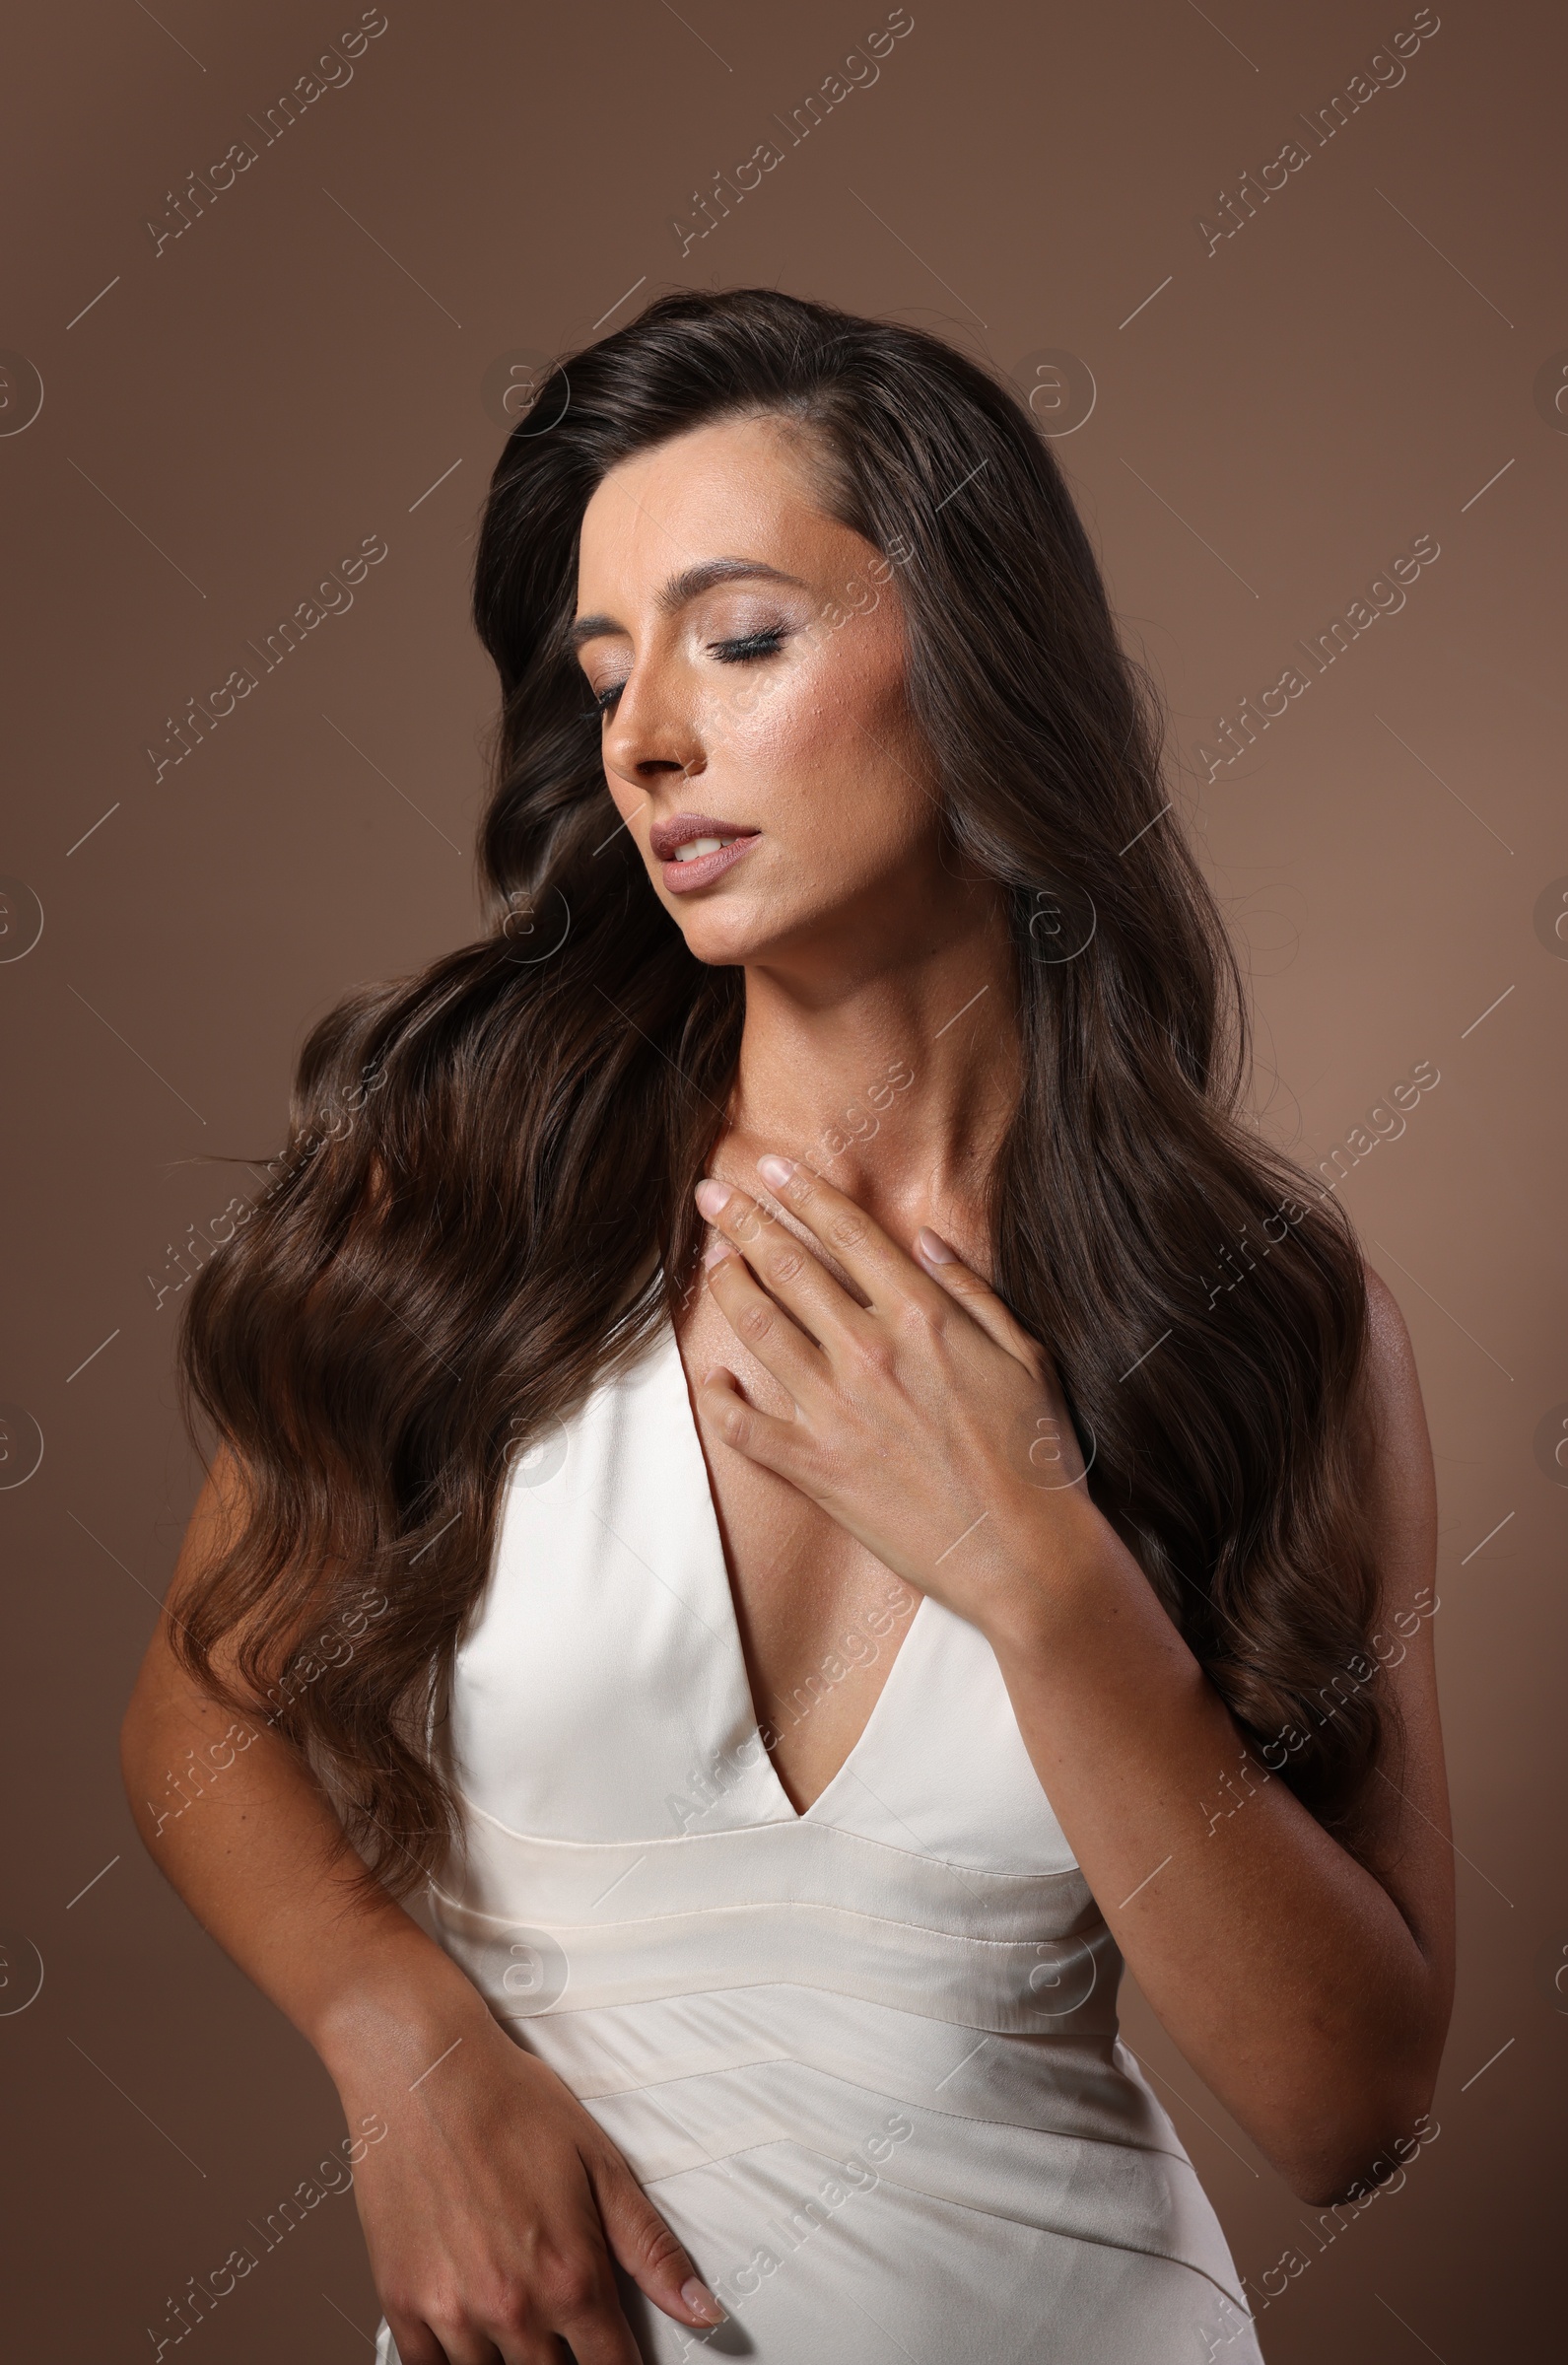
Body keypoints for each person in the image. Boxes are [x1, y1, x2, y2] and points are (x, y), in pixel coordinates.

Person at [121, 287, 1454, 2364]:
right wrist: (401, 2047)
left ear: (977, 662)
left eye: (737, 639)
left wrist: (1036, 1568)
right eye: (603, 668)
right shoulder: (475, 1191)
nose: (645, 734)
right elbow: (199, 1710)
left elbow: (1345, 2103)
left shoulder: (1257, 1314)